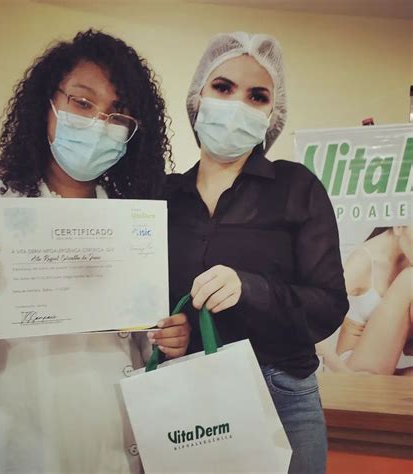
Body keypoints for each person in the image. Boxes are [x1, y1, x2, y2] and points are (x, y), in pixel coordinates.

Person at [0, 29, 190, 473]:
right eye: (82, 103)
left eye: (118, 114)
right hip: (25, 436)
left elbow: (143, 337)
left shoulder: (132, 219)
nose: (98, 124)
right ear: (47, 105)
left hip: (118, 437)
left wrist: (169, 340)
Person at [163, 32, 349, 474]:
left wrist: (251, 289)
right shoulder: (161, 196)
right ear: (197, 97)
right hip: (187, 392)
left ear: (272, 114)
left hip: (281, 391)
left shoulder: (296, 186)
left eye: (257, 96)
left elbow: (329, 305)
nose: (237, 104)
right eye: (223, 88)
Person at [317, 226, 413, 376]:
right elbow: (308, 327)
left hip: (386, 366)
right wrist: (343, 374)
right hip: (353, 368)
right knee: (410, 279)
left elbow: (408, 349)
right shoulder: (361, 262)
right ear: (399, 226)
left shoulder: (408, 257)